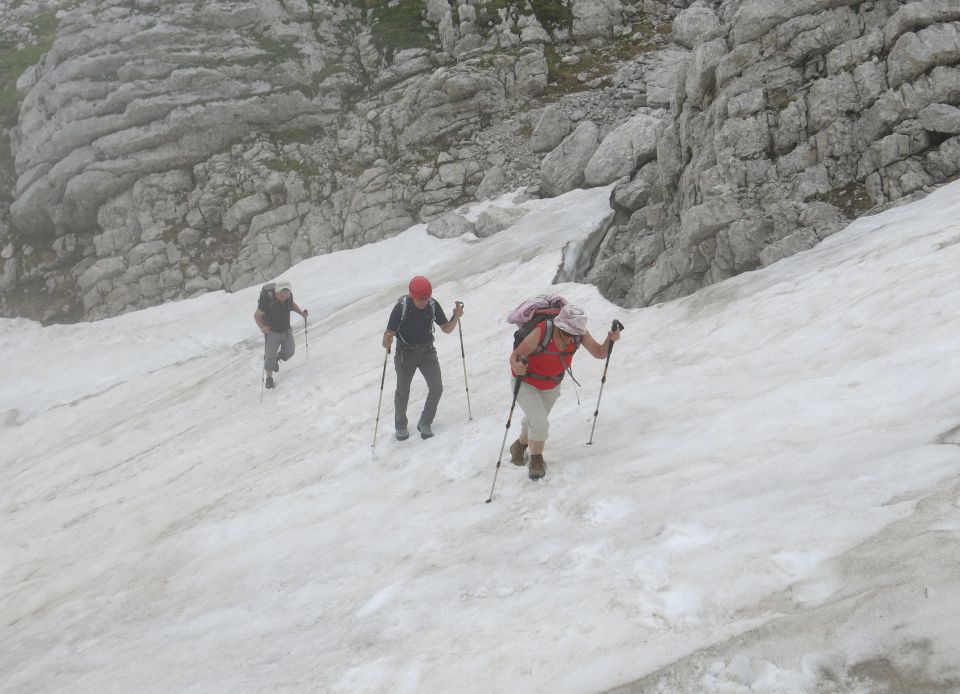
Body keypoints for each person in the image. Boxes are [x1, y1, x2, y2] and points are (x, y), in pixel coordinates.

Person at [508, 303, 620, 479]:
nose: (570, 337)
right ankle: (536, 461)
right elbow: (515, 355)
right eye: (566, 333)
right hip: (526, 382)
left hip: (551, 385)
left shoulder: (579, 334)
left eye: (574, 334)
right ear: (559, 325)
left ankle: (518, 447)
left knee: (536, 420)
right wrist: (516, 365)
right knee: (540, 422)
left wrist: (610, 340)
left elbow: (599, 353)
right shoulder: (543, 330)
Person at [382, 275, 464, 440]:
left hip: (427, 351)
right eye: (421, 299)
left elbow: (446, 328)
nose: (424, 302)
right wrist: (387, 339)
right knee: (403, 391)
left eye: (426, 298)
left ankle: (425, 422)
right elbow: (388, 335)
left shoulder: (432, 305)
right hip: (405, 353)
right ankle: (400, 426)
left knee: (437, 387)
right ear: (412, 295)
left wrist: (456, 317)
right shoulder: (401, 307)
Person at [254, 280, 307, 389]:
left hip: (286, 329)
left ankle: (276, 358)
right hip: (272, 331)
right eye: (283, 296)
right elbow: (257, 315)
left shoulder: (288, 296)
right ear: (277, 292)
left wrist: (301, 313)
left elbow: (292, 304)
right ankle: (269, 379)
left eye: (287, 295)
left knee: (290, 352)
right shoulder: (267, 299)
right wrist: (262, 327)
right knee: (269, 356)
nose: (285, 298)